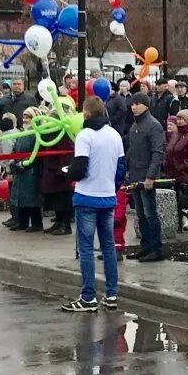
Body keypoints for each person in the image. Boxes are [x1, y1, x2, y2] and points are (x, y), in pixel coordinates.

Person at [60, 97, 128, 313]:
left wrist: (69, 172)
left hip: (87, 196)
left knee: (87, 248)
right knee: (108, 246)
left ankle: (88, 296)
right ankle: (111, 293)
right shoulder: (115, 135)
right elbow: (120, 168)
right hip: (108, 197)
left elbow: (79, 168)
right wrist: (111, 184)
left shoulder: (84, 135)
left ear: (86, 115)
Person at [123, 93, 166, 263]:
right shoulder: (135, 125)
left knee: (150, 213)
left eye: (138, 103)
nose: (134, 106)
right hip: (135, 175)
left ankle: (157, 248)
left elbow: (157, 152)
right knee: (140, 214)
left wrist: (150, 176)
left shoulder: (153, 125)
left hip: (146, 176)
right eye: (132, 104)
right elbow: (132, 151)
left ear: (146, 105)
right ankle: (146, 245)